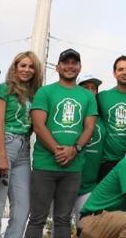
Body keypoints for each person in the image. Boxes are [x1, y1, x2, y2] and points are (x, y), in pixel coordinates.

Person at [24, 48, 98, 238]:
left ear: (80, 67)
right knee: (37, 218)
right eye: (66, 62)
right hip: (44, 164)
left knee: (63, 219)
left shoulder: (88, 96)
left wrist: (74, 150)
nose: (70, 66)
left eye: (74, 63)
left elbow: (89, 127)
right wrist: (58, 150)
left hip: (73, 167)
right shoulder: (45, 91)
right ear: (58, 67)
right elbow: (39, 125)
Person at [0, 50, 40, 238]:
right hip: (4, 143)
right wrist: (3, 156)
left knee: (23, 206)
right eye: (23, 65)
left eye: (31, 66)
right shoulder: (4, 89)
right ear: (15, 67)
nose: (27, 70)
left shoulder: (34, 94)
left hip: (24, 148)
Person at [96, 55, 126, 181]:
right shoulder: (103, 97)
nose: (125, 72)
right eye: (120, 69)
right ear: (114, 73)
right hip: (109, 161)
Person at [74, 74, 107, 229]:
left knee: (86, 228)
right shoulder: (73, 115)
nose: (90, 91)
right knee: (60, 225)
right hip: (68, 180)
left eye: (94, 88)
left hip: (89, 186)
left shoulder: (101, 118)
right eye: (86, 87)